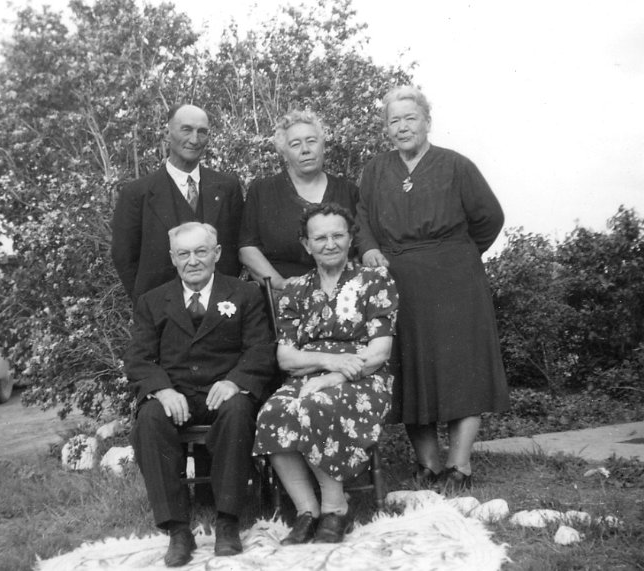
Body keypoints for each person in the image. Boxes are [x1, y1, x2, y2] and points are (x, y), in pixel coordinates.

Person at [356, 85, 509, 490]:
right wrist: (370, 249)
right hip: (399, 282)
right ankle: (427, 464)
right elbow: (361, 219)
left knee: (461, 370)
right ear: (386, 128)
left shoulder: (457, 166)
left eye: (410, 118)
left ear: (427, 121)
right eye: (394, 120)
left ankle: (459, 466)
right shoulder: (374, 170)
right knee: (409, 370)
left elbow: (489, 217)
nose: (403, 127)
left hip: (456, 282)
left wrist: (456, 255)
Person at [125, 221, 276, 567]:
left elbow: (260, 350)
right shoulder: (152, 301)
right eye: (184, 254)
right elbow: (138, 358)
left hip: (223, 392)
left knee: (238, 412)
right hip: (176, 396)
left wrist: (235, 381)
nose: (192, 261)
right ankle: (178, 529)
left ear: (217, 254)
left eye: (200, 251)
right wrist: (161, 390)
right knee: (148, 419)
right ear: (173, 259)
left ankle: (227, 522)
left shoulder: (244, 294)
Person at [252, 203, 399, 544]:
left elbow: (380, 351)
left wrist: (336, 377)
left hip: (364, 377)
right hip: (310, 374)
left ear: (350, 239)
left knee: (313, 405)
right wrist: (329, 363)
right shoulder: (296, 289)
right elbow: (286, 358)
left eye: (338, 235)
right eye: (320, 238)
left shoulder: (375, 280)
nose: (329, 244)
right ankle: (308, 511)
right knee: (272, 413)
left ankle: (335, 508)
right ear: (306, 244)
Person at [112, 103, 244, 305]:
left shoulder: (227, 187)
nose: (194, 139)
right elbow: (124, 257)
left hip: (220, 311)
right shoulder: (137, 193)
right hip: (161, 314)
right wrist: (147, 305)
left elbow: (235, 249)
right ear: (167, 134)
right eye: (186, 130)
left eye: (202, 132)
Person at [239, 110, 358, 294]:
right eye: (295, 144)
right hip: (280, 295)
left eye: (311, 141)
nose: (305, 150)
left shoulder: (348, 191)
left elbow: (359, 246)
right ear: (284, 153)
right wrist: (281, 284)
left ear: (322, 145)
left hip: (343, 294)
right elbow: (247, 248)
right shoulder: (262, 191)